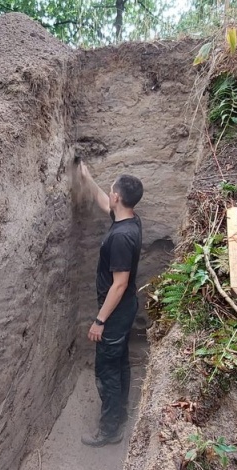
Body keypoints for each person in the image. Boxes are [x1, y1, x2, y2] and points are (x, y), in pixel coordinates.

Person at [75, 158, 144, 447]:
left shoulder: (120, 238)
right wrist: (88, 180)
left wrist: (99, 321)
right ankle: (122, 413)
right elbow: (106, 204)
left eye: (111, 190)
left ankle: (109, 429)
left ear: (118, 196)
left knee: (106, 368)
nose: (109, 193)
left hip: (115, 311)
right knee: (120, 362)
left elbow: (120, 284)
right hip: (126, 307)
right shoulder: (130, 219)